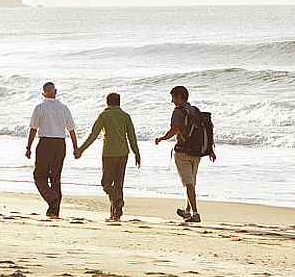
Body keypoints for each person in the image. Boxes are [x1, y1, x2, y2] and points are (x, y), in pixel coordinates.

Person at [74, 91, 141, 221]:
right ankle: (116, 212)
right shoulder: (125, 116)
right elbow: (132, 137)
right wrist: (136, 153)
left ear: (107, 103)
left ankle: (116, 201)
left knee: (106, 183)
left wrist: (81, 149)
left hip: (109, 153)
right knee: (118, 184)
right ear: (119, 102)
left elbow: (93, 135)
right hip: (123, 153)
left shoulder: (104, 115)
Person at [153, 84, 215, 223]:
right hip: (197, 152)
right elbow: (206, 131)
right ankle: (187, 211)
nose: (172, 101)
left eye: (173, 97)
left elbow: (173, 131)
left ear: (180, 97)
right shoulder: (194, 110)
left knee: (188, 184)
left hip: (182, 152)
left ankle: (195, 213)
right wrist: (210, 150)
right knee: (191, 183)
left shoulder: (178, 112)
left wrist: (161, 138)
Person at [24, 82, 78, 218]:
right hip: (60, 144)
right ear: (56, 92)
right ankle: (54, 210)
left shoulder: (40, 108)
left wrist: (29, 147)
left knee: (39, 176)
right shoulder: (64, 108)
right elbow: (71, 130)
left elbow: (33, 129)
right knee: (55, 177)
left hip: (45, 143)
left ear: (43, 94)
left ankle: (52, 199)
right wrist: (75, 147)